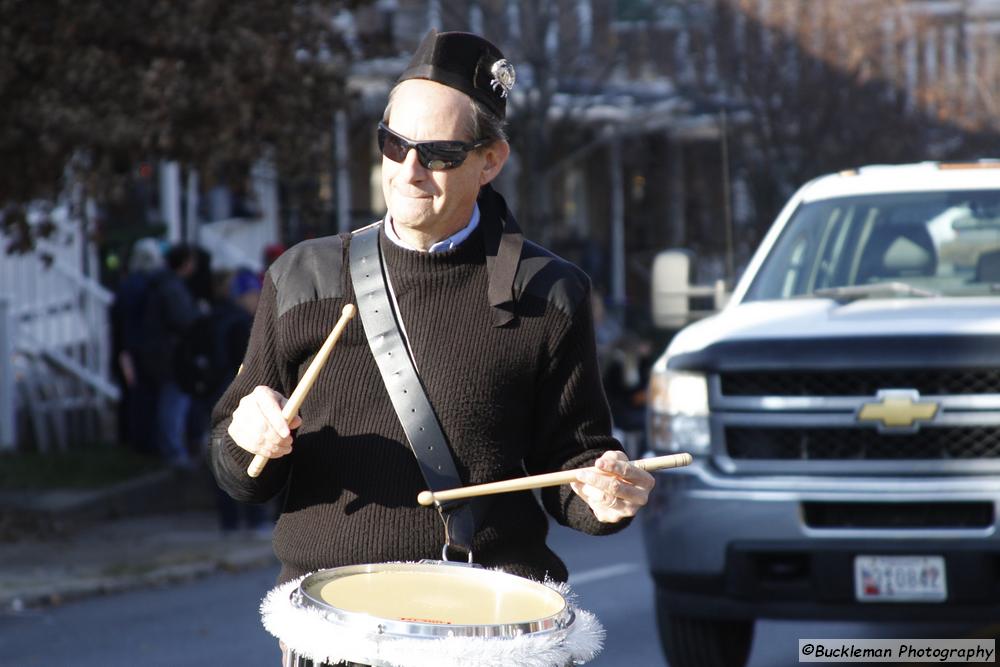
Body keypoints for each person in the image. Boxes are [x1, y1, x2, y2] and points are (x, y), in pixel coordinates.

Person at [209, 31, 654, 592]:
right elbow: (238, 474)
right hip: (329, 618)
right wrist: (248, 441)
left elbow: (573, 465)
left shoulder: (550, 293)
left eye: (439, 154)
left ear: (490, 161)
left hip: (490, 616)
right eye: (394, 144)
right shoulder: (303, 277)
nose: (409, 170)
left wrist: (607, 495)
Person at [140, 242, 200, 467]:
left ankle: (172, 448)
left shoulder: (165, 284)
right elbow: (184, 320)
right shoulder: (171, 288)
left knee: (171, 401)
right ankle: (173, 452)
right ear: (185, 263)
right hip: (169, 355)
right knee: (173, 401)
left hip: (162, 353)